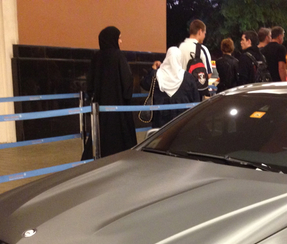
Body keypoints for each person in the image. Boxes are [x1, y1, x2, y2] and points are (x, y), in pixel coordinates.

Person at [82, 26, 137, 160]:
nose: (121, 41)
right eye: (119, 38)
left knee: (100, 138)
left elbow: (89, 85)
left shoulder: (96, 57)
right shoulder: (118, 56)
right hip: (119, 110)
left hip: (101, 109)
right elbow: (127, 81)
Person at [140, 47, 201, 128]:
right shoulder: (188, 77)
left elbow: (144, 84)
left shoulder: (156, 74)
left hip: (160, 120)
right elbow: (196, 99)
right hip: (182, 120)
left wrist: (152, 69)